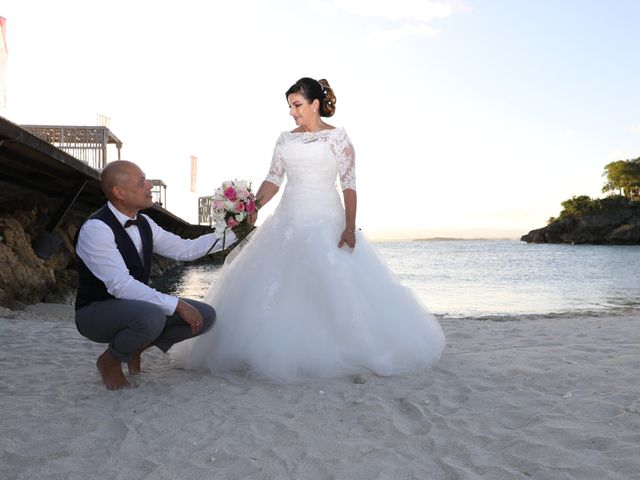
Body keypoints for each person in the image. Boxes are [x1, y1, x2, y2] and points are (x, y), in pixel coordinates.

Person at [171, 77, 445, 382]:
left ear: (315, 104)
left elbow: (349, 186)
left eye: (297, 105)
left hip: (326, 218)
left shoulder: (338, 138)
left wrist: (350, 227)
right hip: (288, 218)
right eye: (290, 106)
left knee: (335, 283)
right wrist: (249, 209)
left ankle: (345, 346)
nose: (292, 112)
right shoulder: (285, 140)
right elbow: (273, 179)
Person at [74, 160, 237, 390]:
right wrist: (178, 304)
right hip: (95, 312)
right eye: (141, 182)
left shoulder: (144, 222)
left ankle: (132, 350)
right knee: (153, 316)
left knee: (205, 316)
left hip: (135, 307)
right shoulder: (97, 229)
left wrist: (235, 231)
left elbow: (186, 249)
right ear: (119, 192)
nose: (149, 185)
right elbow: (120, 285)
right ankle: (109, 361)